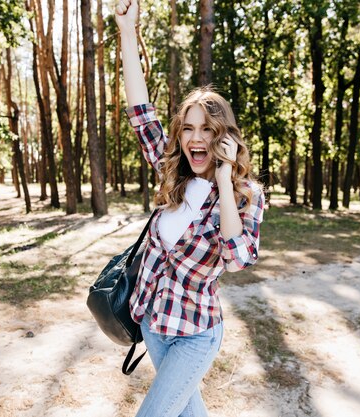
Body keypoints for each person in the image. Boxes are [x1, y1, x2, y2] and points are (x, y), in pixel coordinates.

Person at [116, 1, 264, 416]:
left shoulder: (244, 194)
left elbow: (238, 260)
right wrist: (128, 32)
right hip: (153, 323)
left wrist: (222, 177)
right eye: (189, 127)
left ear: (224, 135)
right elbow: (140, 113)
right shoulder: (173, 174)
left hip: (194, 332)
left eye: (208, 129)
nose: (196, 138)